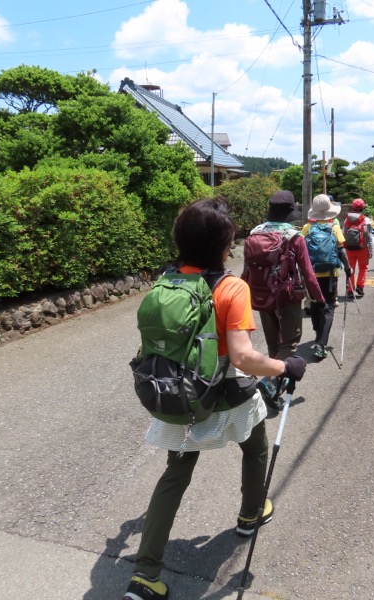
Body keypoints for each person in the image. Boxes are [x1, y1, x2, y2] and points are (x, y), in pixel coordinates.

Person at [123, 198, 308, 600]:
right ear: (225, 245)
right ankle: (250, 512)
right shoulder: (230, 287)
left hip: (178, 395)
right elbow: (242, 357)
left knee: (174, 475)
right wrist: (285, 367)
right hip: (223, 394)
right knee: (255, 446)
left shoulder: (166, 281)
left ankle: (145, 575)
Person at [245, 191, 324, 407]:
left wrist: (244, 295)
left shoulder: (254, 234)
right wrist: (319, 298)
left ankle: (275, 387)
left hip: (260, 295)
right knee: (289, 343)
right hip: (287, 296)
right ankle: (270, 383)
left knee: (274, 346)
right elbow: (308, 273)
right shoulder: (293, 236)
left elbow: (246, 272)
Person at [301, 194, 351, 360]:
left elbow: (300, 253)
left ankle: (317, 333)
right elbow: (342, 251)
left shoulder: (307, 229)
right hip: (330, 275)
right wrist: (348, 268)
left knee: (315, 304)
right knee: (329, 307)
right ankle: (321, 344)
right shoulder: (334, 228)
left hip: (311, 275)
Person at [343, 198, 374, 297]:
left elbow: (344, 234)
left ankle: (350, 289)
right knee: (363, 268)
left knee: (350, 268)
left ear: (352, 207)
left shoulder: (346, 219)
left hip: (349, 249)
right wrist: (371, 250)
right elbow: (369, 237)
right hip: (362, 248)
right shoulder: (366, 220)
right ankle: (360, 286)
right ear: (363, 208)